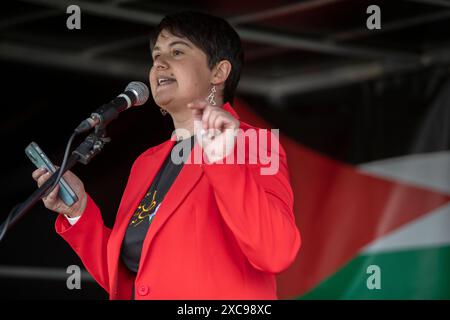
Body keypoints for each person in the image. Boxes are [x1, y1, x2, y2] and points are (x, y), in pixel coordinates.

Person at [32, 11, 301, 300]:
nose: (159, 63)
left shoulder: (254, 144)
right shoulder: (147, 162)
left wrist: (220, 156)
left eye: (177, 52)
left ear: (219, 72)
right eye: (156, 55)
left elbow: (276, 252)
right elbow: (127, 279)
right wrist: (78, 213)